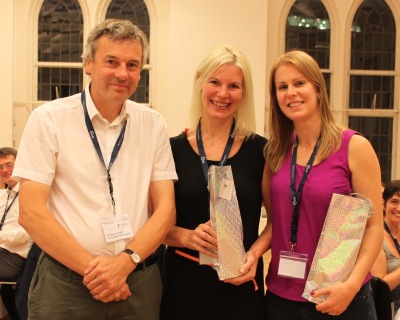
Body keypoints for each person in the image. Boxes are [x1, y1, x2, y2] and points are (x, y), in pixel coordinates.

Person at [12, 19, 177, 320]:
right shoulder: (48, 120)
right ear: (88, 63)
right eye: (111, 62)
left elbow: (166, 209)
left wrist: (125, 263)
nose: (122, 73)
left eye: (132, 64)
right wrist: (101, 274)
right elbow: (31, 212)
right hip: (68, 285)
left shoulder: (153, 124)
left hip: (138, 282)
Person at [237, 50, 383, 319]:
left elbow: (373, 226)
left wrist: (351, 287)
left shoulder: (354, 147)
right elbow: (274, 223)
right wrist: (254, 253)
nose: (291, 92)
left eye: (299, 83)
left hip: (340, 294)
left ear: (317, 89)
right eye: (282, 87)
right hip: (282, 298)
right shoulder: (276, 152)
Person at [160, 44, 267, 320]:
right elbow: (152, 223)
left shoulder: (262, 151)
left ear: (244, 93)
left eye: (233, 85)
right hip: (183, 285)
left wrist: (254, 255)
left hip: (240, 284)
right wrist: (187, 237)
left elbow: (278, 221)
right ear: (199, 82)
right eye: (215, 82)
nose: (223, 93)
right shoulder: (170, 150)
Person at [0, 147, 33, 320]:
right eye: (0, 167)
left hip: (14, 256)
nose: (4, 170)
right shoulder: (5, 195)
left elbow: (27, 233)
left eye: (8, 165)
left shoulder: (28, 192)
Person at [371, 180, 400, 316]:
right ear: (383, 204)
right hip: (389, 312)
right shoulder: (377, 238)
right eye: (394, 202)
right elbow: (380, 288)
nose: (399, 208)